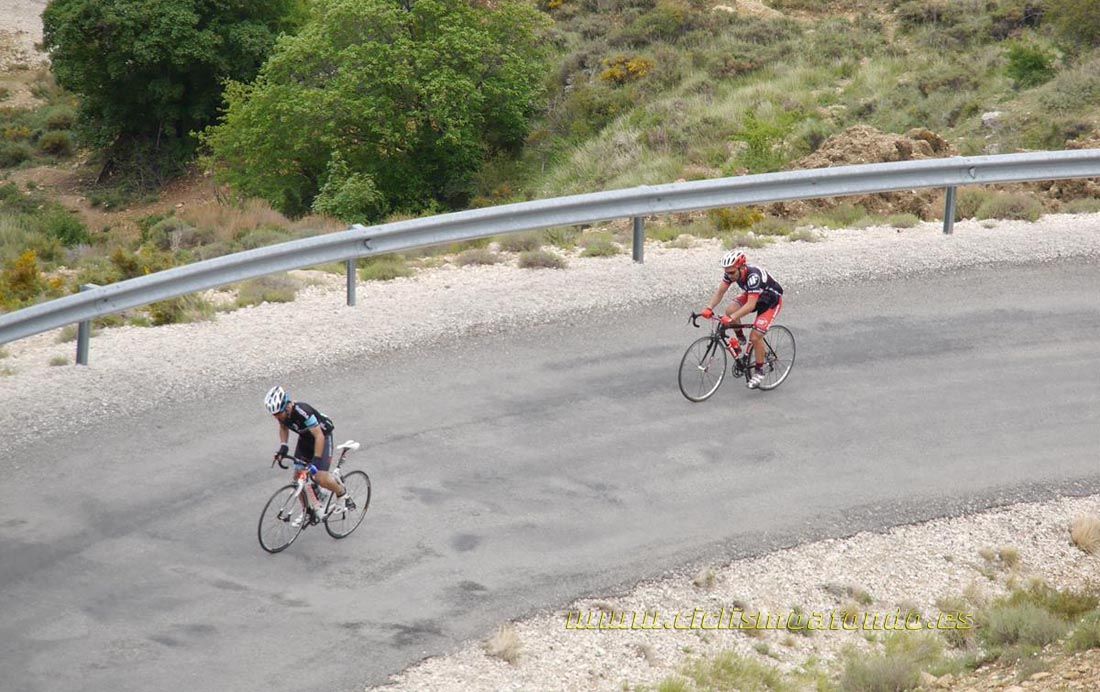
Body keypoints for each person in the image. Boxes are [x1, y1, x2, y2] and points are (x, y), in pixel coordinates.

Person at [264, 386, 355, 518]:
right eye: (274, 415)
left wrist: (316, 461)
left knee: (319, 476)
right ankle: (308, 511)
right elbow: (283, 427)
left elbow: (319, 436)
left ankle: (342, 494)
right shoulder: (282, 415)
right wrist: (283, 446)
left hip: (322, 437)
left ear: (286, 406)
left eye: (278, 414)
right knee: (297, 477)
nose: (277, 417)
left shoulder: (302, 411)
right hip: (306, 439)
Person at [698, 250, 784, 389]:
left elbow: (750, 306)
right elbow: (720, 292)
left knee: (756, 336)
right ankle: (741, 338)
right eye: (727, 272)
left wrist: (731, 319)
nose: (729, 275)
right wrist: (709, 308)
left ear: (742, 267)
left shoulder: (753, 277)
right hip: (754, 295)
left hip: (771, 301)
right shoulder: (731, 273)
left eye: (732, 272)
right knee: (730, 310)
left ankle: (759, 371)